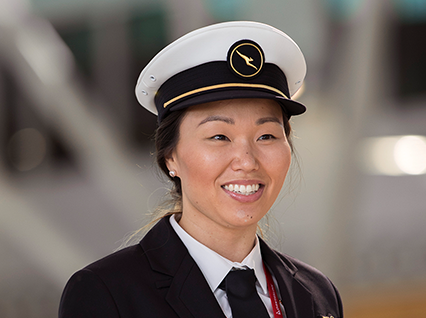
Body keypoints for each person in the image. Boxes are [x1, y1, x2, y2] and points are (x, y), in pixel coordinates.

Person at [59, 21, 343, 318]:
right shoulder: (108, 294)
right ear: (170, 157)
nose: (247, 161)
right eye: (219, 137)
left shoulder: (317, 295)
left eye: (266, 136)